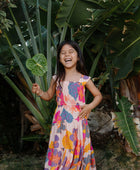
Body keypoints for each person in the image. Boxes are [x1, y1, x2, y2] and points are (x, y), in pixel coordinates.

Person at [32, 40, 102, 170]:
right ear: (59, 58)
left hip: (78, 120)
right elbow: (48, 96)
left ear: (78, 56)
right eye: (63, 53)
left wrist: (89, 106)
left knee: (77, 146)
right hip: (60, 122)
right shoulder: (56, 78)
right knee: (60, 148)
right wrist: (39, 92)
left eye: (71, 52)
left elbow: (98, 95)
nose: (67, 55)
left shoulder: (84, 79)